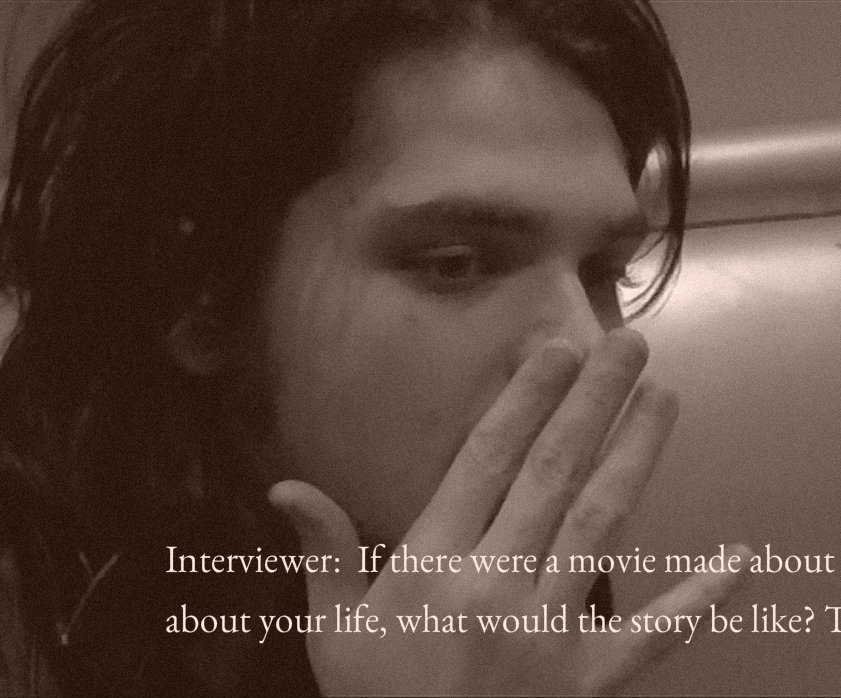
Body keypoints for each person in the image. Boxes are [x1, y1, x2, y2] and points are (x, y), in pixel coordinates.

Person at [0, 1, 748, 694]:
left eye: (602, 272)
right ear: (200, 298)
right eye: (457, 264)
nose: (586, 348)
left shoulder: (506, 598)